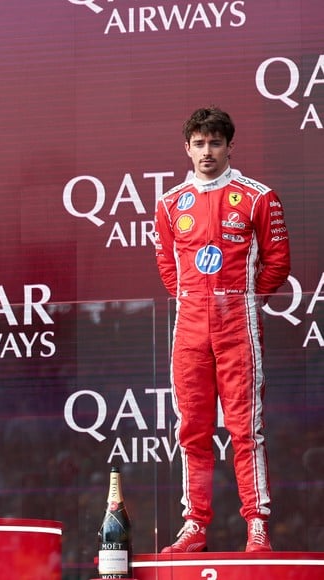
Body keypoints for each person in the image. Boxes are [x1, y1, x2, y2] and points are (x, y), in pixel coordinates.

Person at [154, 107, 291, 553]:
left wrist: (244, 303)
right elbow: (167, 269)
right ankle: (195, 524)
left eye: (215, 142)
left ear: (230, 146)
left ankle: (257, 525)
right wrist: (195, 304)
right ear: (187, 148)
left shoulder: (257, 197)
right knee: (191, 430)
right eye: (199, 143)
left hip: (238, 331)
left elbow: (278, 265)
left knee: (245, 429)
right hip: (189, 331)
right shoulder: (170, 202)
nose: (207, 152)